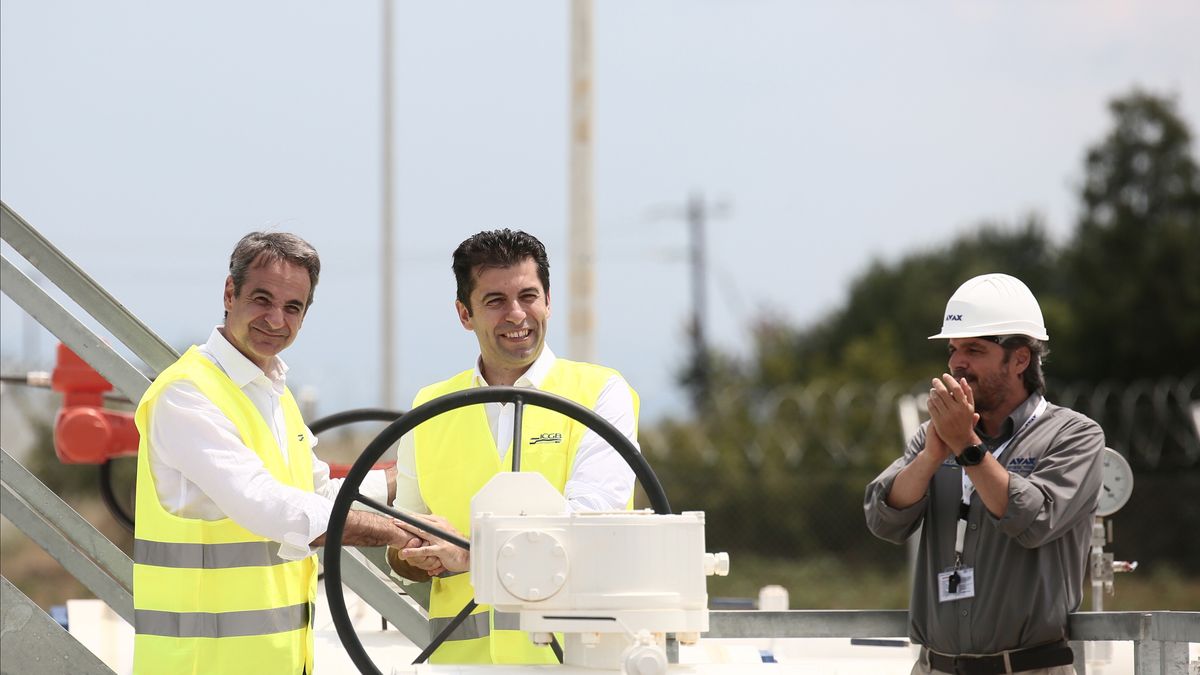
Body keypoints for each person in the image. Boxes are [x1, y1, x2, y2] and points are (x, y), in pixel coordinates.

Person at [132, 232, 414, 675]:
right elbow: (268, 505)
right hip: (201, 666)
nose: (276, 319)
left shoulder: (275, 395)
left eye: (292, 307)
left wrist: (404, 481)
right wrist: (395, 532)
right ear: (230, 292)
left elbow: (317, 493)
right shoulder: (186, 393)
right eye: (262, 299)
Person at [385, 229, 640, 664]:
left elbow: (596, 523)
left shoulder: (601, 394)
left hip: (574, 665)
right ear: (465, 314)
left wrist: (471, 555)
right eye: (495, 301)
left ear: (548, 301)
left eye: (529, 295)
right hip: (459, 668)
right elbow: (403, 535)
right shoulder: (428, 408)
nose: (517, 314)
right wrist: (413, 555)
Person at [864, 273, 1105, 675]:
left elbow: (1033, 520)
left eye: (974, 349)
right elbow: (882, 517)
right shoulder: (934, 436)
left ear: (1020, 359)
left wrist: (967, 448)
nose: (958, 362)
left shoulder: (1074, 435)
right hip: (937, 667)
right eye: (954, 349)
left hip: (1027, 668)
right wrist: (930, 457)